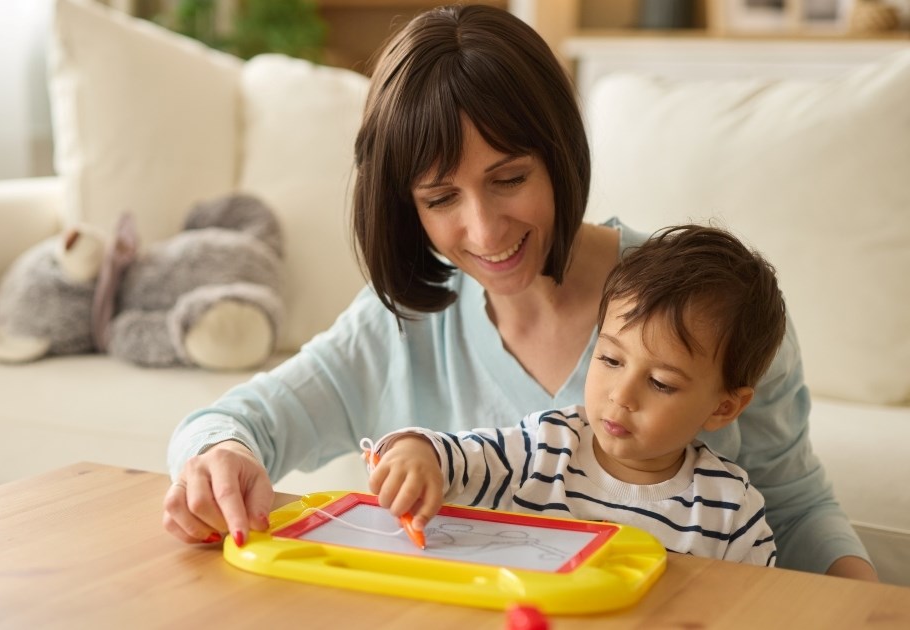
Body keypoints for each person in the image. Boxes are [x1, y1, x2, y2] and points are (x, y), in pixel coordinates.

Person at [162, 4, 876, 580]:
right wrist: (219, 460)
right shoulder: (403, 325)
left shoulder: (708, 309)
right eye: (441, 197)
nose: (483, 228)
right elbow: (233, 423)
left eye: (509, 179)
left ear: (559, 155)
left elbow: (791, 507)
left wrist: (865, 608)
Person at [367, 225, 781, 566]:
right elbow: (457, 458)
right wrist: (414, 452)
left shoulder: (730, 508)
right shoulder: (544, 448)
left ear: (724, 407)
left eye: (660, 383)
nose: (622, 395)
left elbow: (754, 607)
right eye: (611, 360)